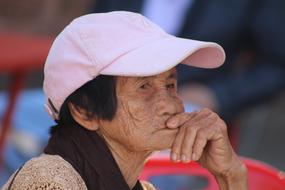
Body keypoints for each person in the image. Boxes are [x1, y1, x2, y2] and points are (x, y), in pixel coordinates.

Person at [1, 12, 247, 190]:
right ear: (84, 111)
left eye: (170, 85)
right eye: (143, 87)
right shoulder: (50, 182)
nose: (171, 105)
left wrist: (230, 175)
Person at [91, 0, 285, 121]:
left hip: (185, 100)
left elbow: (277, 65)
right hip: (108, 94)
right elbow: (94, 35)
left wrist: (218, 95)